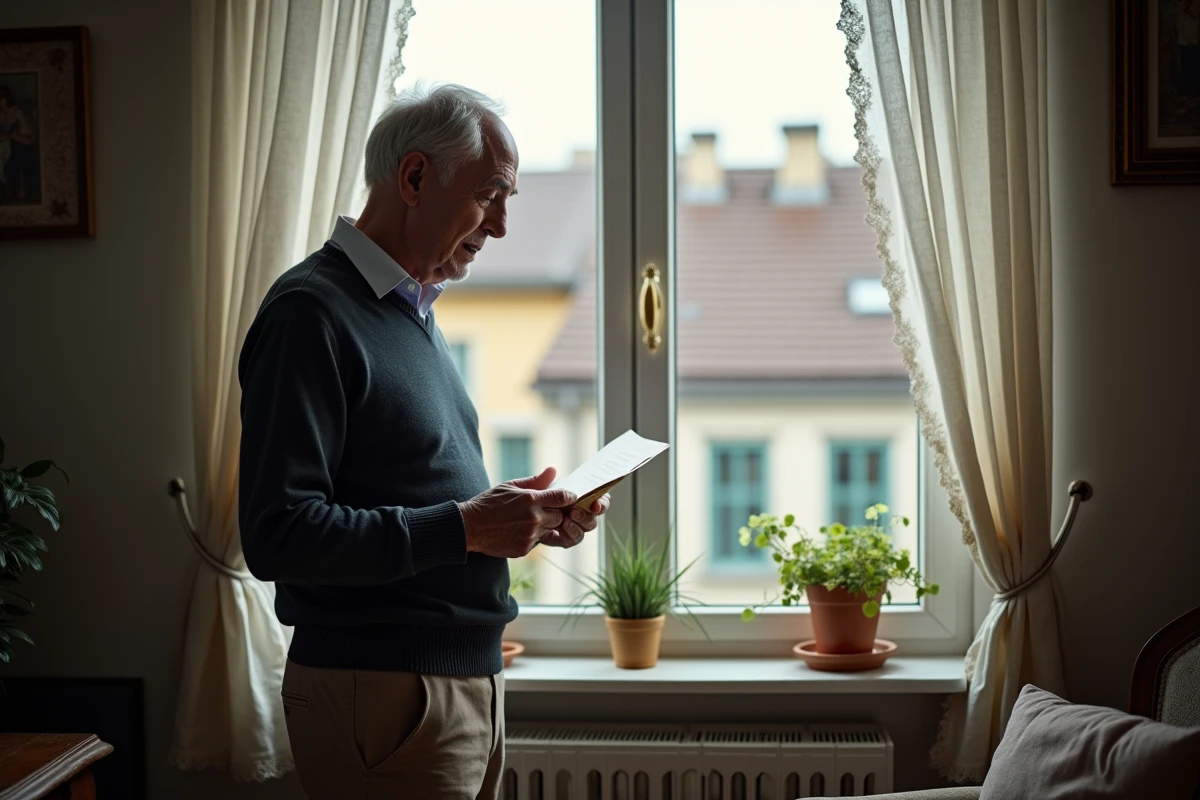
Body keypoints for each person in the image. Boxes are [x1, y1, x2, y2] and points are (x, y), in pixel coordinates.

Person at [237, 83, 609, 799]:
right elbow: (278, 535)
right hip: (385, 691)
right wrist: (468, 526)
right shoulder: (310, 313)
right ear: (414, 178)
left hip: (451, 685)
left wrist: (522, 517)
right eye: (490, 194)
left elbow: (408, 496)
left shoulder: (409, 315)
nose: (499, 226)